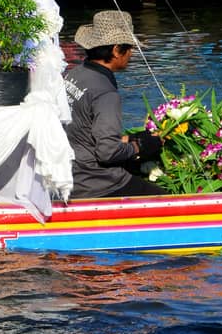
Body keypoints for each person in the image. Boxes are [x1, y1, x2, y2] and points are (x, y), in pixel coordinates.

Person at [64, 11, 161, 198]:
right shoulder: (106, 92)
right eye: (129, 48)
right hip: (94, 181)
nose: (131, 54)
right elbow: (107, 153)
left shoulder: (74, 74)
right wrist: (140, 146)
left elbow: (83, 129)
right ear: (116, 50)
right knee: (164, 198)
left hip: (67, 169)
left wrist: (129, 139)